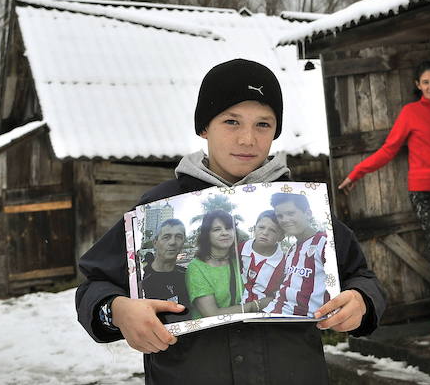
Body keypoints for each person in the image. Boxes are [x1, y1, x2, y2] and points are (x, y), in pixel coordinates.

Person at [75, 58, 386, 384]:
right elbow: (93, 287)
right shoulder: (159, 207)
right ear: (204, 127)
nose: (247, 139)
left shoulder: (299, 206)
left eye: (263, 124)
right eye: (232, 122)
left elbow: (360, 277)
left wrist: (361, 301)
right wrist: (118, 310)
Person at [338, 60, 430, 340]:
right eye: (425, 82)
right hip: (423, 194)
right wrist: (355, 174)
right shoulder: (411, 113)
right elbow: (388, 150)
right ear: (417, 85)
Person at [264, 192, 330, 316]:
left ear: (308, 214)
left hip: (299, 320)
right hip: (274, 312)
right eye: (280, 216)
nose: (284, 220)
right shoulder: (292, 249)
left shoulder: (324, 243)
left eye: (290, 213)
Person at [186, 210, 253, 317]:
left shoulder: (239, 260)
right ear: (207, 235)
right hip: (212, 330)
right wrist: (254, 306)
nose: (224, 233)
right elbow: (212, 314)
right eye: (217, 229)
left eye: (228, 228)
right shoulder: (197, 268)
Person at [139, 218, 192, 324]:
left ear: (183, 242)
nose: (172, 242)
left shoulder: (188, 276)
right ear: (155, 242)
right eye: (166, 237)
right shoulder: (141, 280)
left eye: (178, 237)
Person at [239, 210, 286, 304]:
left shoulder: (284, 263)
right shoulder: (239, 248)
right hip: (231, 307)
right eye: (261, 227)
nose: (265, 233)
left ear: (281, 237)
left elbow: (278, 294)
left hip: (262, 311)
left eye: (272, 230)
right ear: (254, 228)